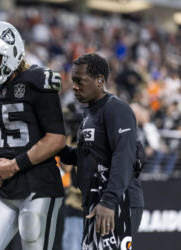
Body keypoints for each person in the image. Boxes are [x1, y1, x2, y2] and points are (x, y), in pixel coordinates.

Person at [0, 21, 66, 250]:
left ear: (11, 51)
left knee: (33, 238)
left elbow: (56, 138)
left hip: (38, 183)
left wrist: (14, 165)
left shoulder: (39, 80)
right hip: (5, 184)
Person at [58, 53, 144, 249]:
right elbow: (83, 156)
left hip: (118, 201)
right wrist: (58, 149)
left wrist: (109, 201)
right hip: (96, 201)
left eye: (80, 81)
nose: (74, 86)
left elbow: (124, 157)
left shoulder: (117, 109)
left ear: (99, 80)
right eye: (73, 81)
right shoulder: (90, 113)